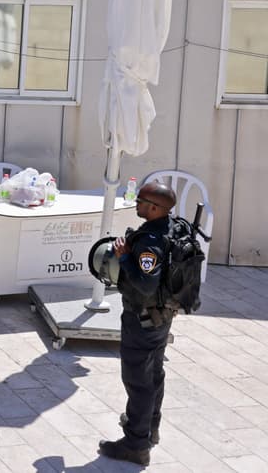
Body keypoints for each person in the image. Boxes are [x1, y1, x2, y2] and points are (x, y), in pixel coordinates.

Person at [98, 182, 179, 466]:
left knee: (138, 381)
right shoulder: (171, 227)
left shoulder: (150, 243)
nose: (137, 204)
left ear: (155, 208)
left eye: (141, 201)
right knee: (154, 374)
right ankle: (148, 428)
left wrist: (124, 257)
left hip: (142, 319)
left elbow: (146, 284)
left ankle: (136, 445)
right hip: (162, 316)